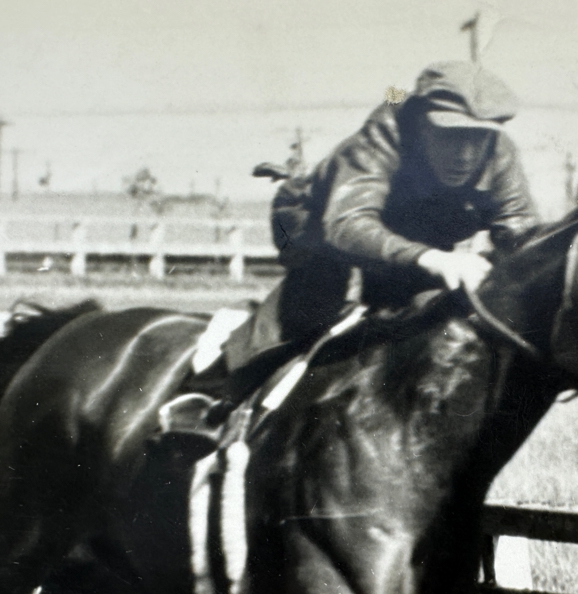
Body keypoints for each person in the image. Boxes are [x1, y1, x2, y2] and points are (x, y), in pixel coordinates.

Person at [184, 61, 541, 426]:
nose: (465, 154)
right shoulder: (382, 134)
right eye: (449, 136)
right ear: (420, 122)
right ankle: (205, 394)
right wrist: (433, 258)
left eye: (477, 139)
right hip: (319, 223)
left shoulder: (501, 153)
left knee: (431, 313)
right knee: (317, 296)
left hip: (412, 234)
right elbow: (348, 225)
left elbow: (522, 236)